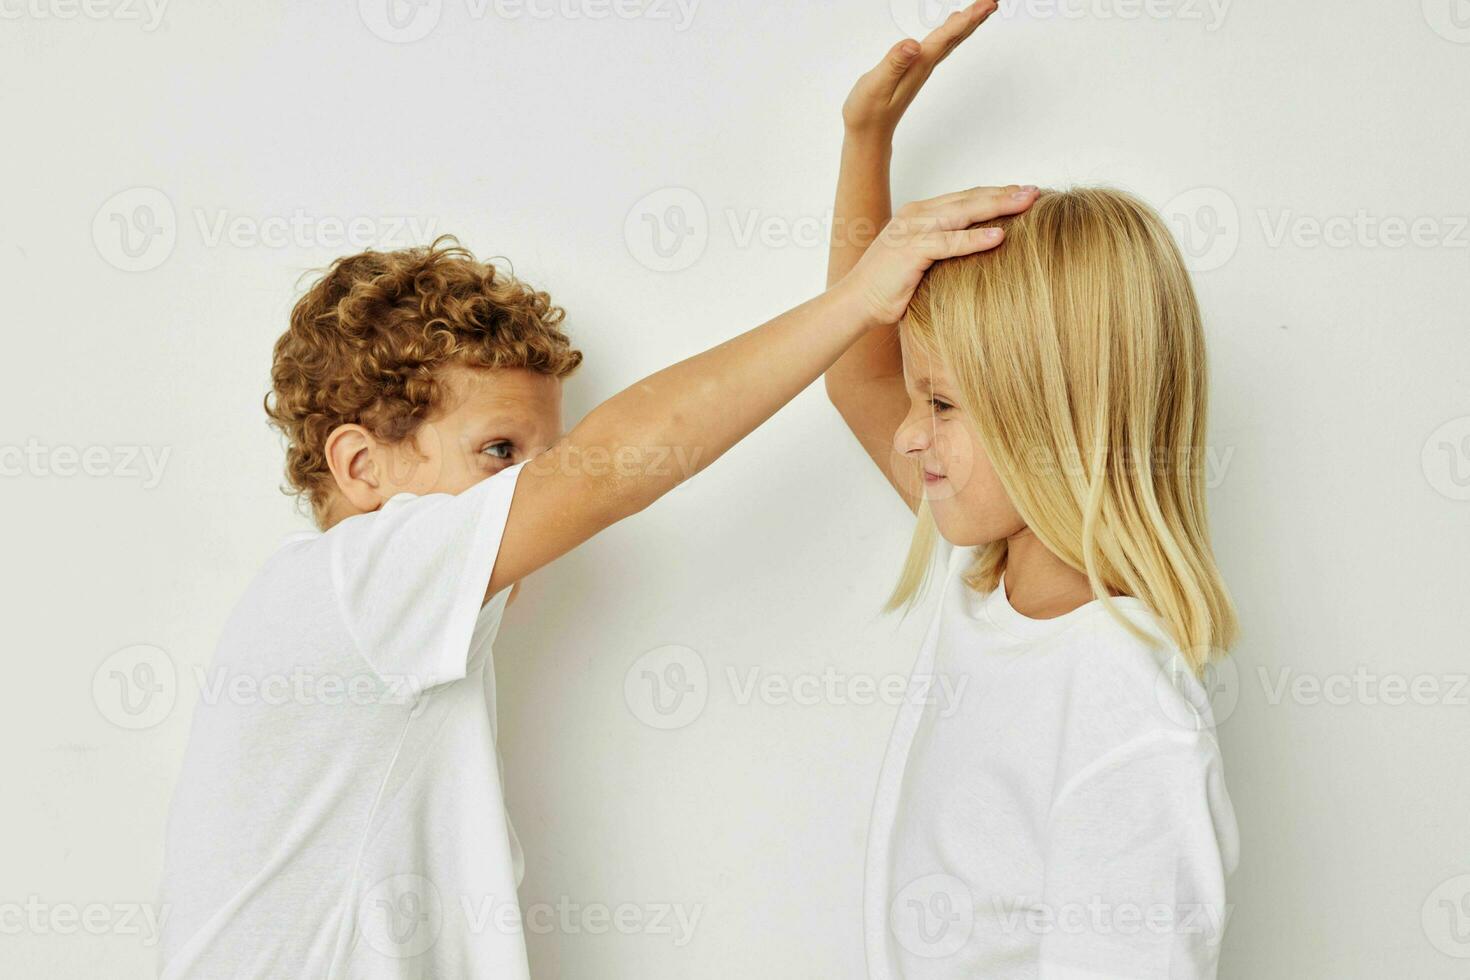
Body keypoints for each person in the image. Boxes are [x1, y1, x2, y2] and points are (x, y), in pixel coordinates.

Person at [154, 179, 1032, 974]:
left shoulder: (374, 627)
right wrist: (853, 301)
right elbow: (613, 468)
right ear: (361, 468)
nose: (537, 486)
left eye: (541, 454)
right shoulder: (356, 583)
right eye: (500, 453)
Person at [823, 3, 1241, 977]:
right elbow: (856, 372)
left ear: (1052, 420)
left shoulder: (1127, 710)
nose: (907, 430)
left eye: (943, 402)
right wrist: (865, 141)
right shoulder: (979, 568)